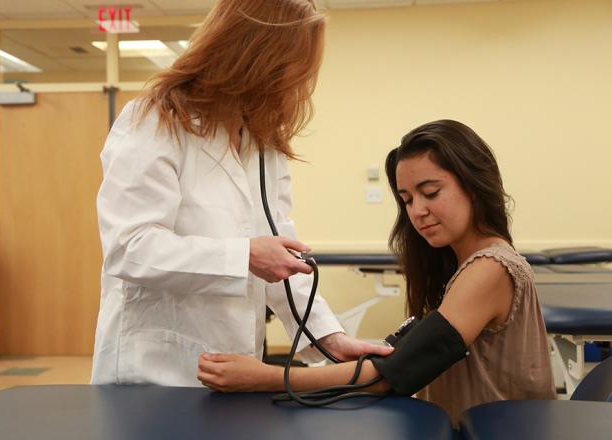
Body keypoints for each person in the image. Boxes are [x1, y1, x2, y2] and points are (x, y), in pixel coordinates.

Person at [90, 0, 392, 387]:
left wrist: (328, 338)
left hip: (233, 368)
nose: (298, 83)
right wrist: (244, 256)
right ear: (256, 57)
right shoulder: (154, 121)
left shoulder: (262, 143)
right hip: (153, 368)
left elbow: (282, 259)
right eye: (293, 67)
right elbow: (129, 247)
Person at [197, 120, 556, 422]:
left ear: (474, 185)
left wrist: (265, 377)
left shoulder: (490, 268)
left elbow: (395, 375)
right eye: (407, 200)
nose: (418, 211)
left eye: (430, 192)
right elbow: (402, 358)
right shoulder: (463, 264)